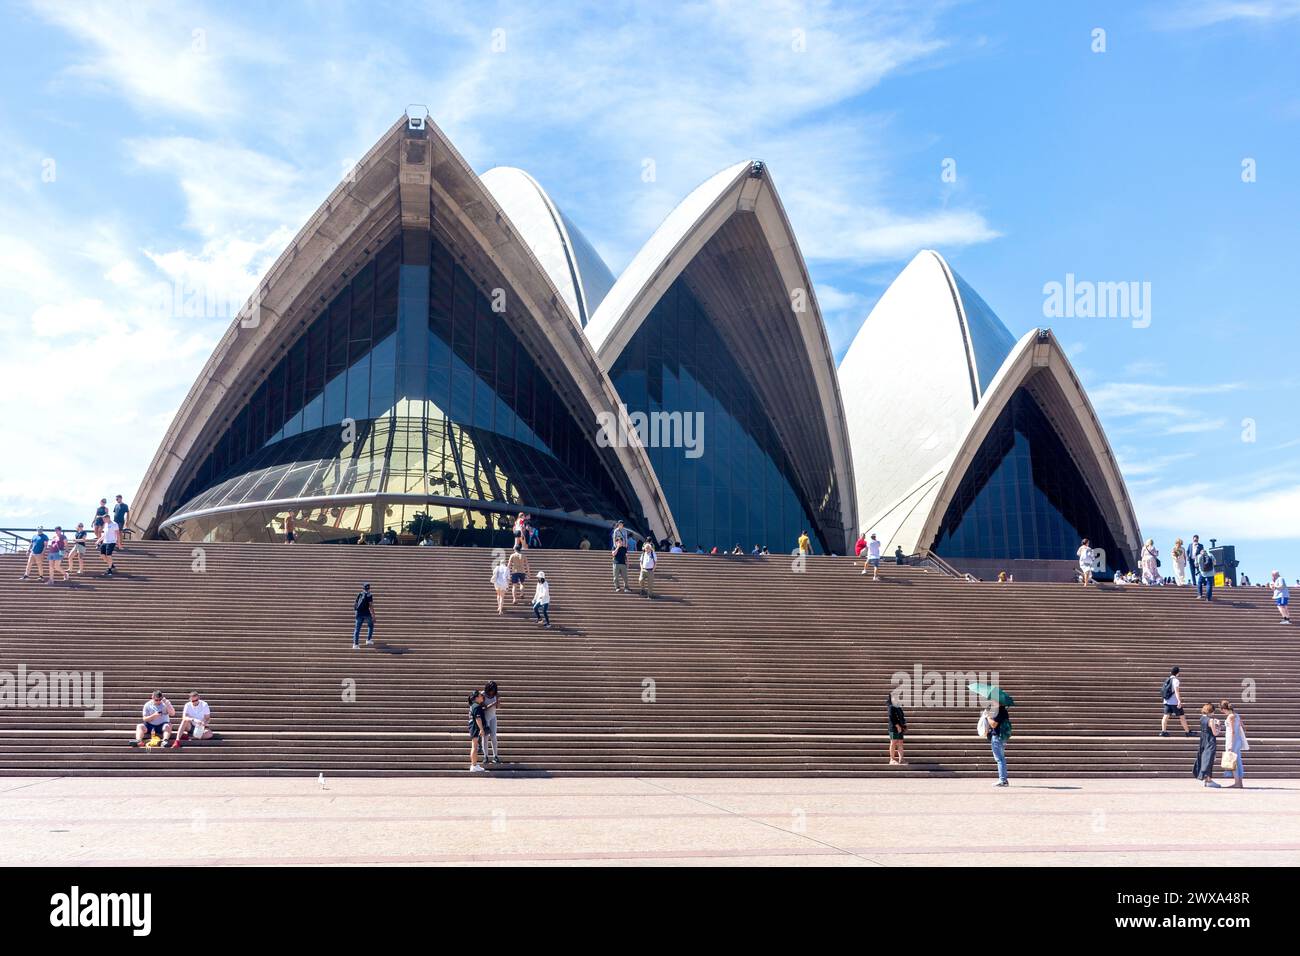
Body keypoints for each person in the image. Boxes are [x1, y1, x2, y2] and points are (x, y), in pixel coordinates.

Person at [1220, 700, 1248, 788]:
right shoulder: (1237, 715)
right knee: (1238, 761)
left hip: (1232, 741)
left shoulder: (1230, 717)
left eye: (1222, 710)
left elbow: (1232, 731)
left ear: (1224, 709)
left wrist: (1231, 744)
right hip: (1238, 740)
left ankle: (1237, 782)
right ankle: (1240, 782)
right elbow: (1242, 726)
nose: (1222, 712)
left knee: (1233, 761)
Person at [1160, 666, 1194, 737]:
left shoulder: (1167, 679)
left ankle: (1163, 731)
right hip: (1174, 702)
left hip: (1166, 701)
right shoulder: (1176, 680)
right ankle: (1187, 732)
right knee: (1182, 716)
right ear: (1178, 673)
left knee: (1165, 716)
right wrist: (1179, 701)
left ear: (1171, 672)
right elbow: (1176, 691)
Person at [1193, 703, 1221, 787]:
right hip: (1210, 741)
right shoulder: (1211, 720)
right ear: (1210, 711)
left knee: (1205, 759)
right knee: (1209, 760)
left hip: (1203, 741)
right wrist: (1219, 726)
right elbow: (1215, 733)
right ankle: (1208, 780)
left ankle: (1206, 779)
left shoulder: (1202, 718)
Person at [985, 698, 1011, 786]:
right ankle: (1004, 779)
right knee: (1001, 758)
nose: (992, 702)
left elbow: (993, 724)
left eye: (994, 700)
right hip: (1001, 737)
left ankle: (1002, 780)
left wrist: (988, 717)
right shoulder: (1003, 711)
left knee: (999, 758)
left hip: (997, 737)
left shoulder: (999, 711)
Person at [468, 689, 489, 772]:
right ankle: (473, 765)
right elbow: (478, 718)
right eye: (480, 695)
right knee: (474, 747)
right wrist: (481, 729)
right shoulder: (476, 706)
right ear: (476, 698)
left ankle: (474, 764)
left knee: (475, 746)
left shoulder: (473, 705)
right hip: (475, 727)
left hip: (473, 727)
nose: (482, 697)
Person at [352, 582, 375, 649]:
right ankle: (368, 640)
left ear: (363, 588)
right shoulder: (369, 595)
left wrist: (356, 612)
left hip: (359, 614)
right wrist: (373, 615)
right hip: (366, 614)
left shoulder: (360, 594)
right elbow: (370, 606)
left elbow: (355, 604)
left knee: (357, 629)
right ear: (369, 588)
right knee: (370, 625)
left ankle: (355, 644)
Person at [483, 681, 501, 764]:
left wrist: (497, 700)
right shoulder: (482, 694)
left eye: (494, 690)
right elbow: (482, 708)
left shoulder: (495, 695)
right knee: (485, 737)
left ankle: (495, 756)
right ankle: (485, 756)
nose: (492, 692)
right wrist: (493, 703)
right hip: (485, 717)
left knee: (494, 736)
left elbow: (497, 707)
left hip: (493, 716)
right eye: (491, 690)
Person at [888, 693, 907, 766]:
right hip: (894, 728)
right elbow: (891, 717)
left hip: (900, 727)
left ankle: (901, 759)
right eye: (894, 697)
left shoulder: (898, 706)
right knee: (893, 743)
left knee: (900, 743)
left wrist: (904, 725)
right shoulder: (891, 707)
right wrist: (897, 726)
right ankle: (892, 759)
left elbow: (902, 716)